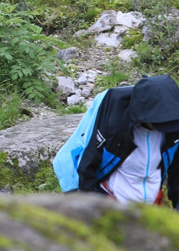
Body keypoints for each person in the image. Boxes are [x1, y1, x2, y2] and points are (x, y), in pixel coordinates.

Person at [53, 75, 179, 206]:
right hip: (112, 204)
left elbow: (177, 173)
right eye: (161, 123)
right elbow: (89, 161)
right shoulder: (116, 121)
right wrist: (89, 206)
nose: (166, 127)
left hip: (148, 206)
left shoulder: (173, 126)